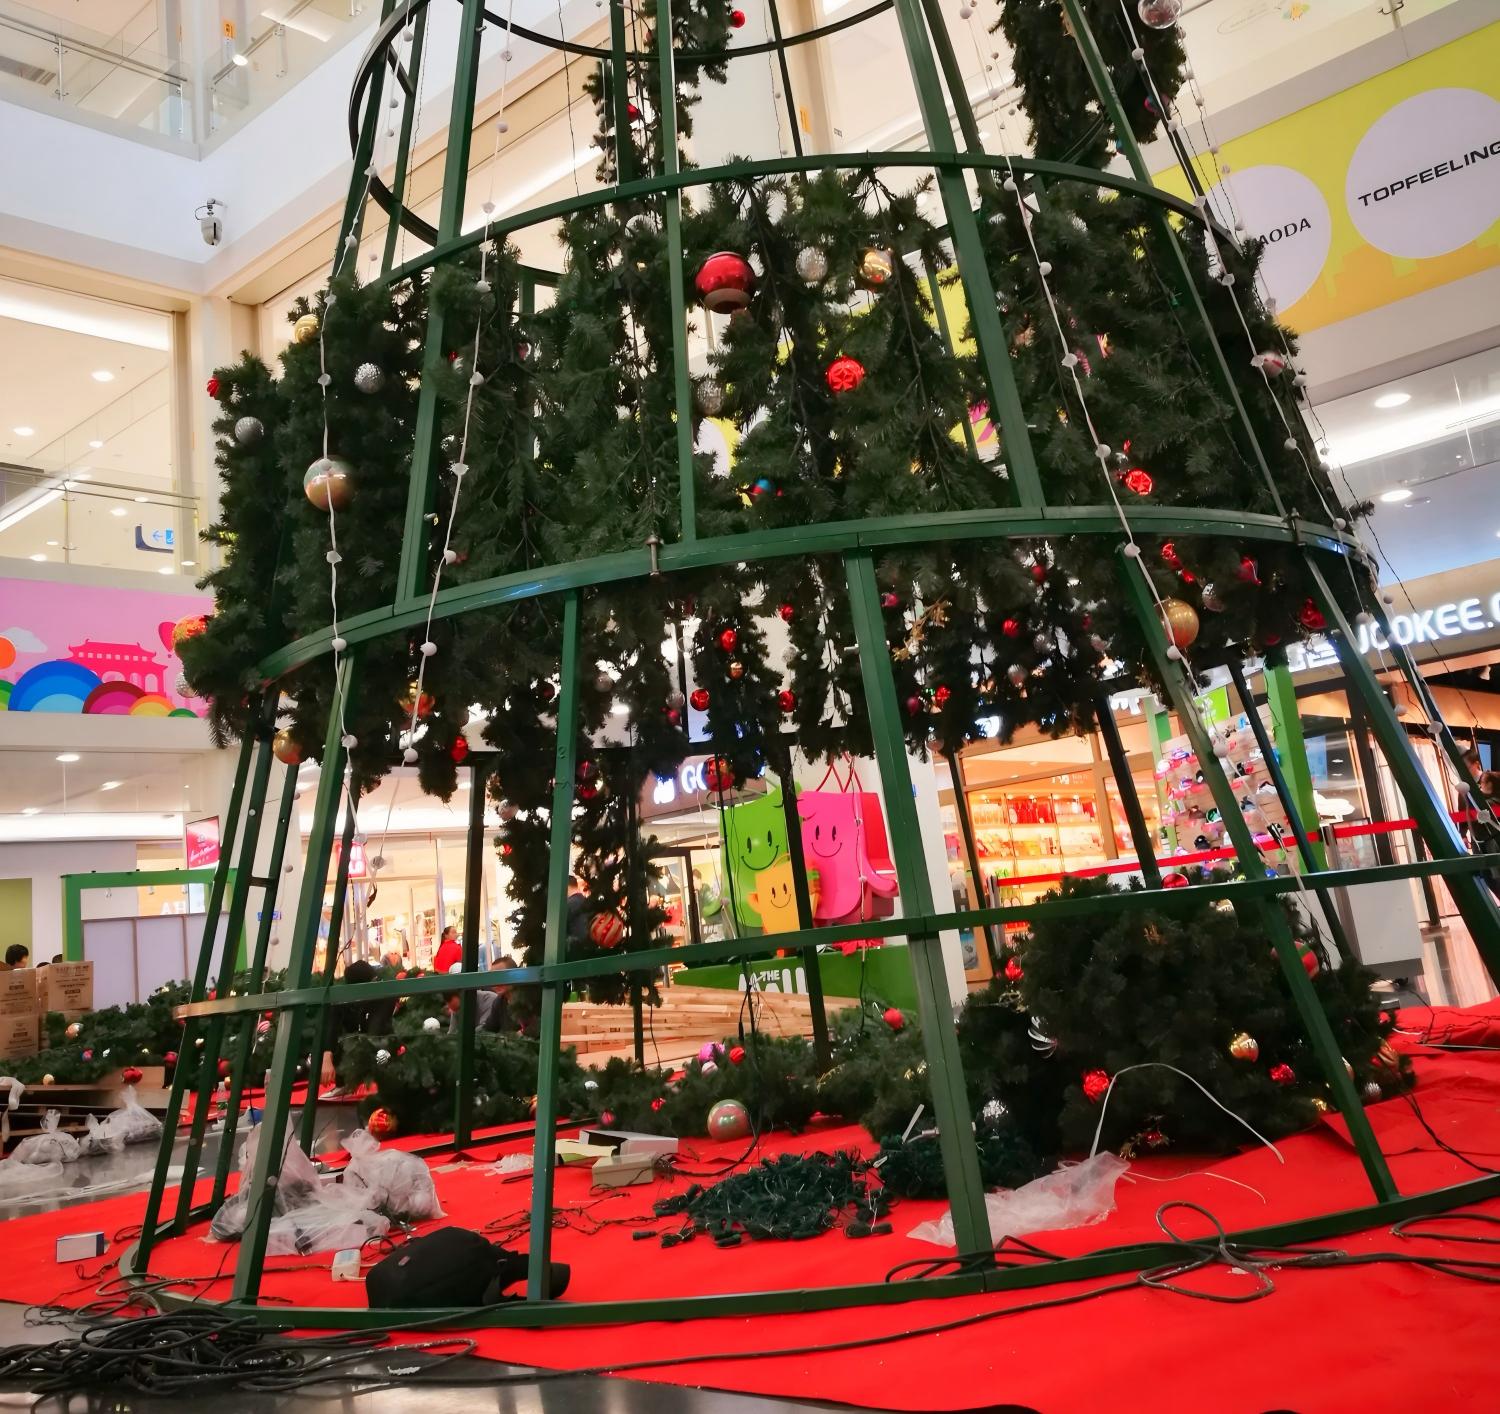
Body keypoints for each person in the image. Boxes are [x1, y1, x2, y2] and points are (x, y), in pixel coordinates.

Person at [319, 959, 397, 1095]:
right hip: (357, 1044)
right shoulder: (345, 1001)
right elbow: (331, 1026)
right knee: (345, 1042)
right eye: (372, 981)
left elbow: (375, 1031)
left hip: (382, 1048)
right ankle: (344, 1084)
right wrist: (327, 1056)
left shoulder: (384, 996)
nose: (376, 983)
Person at [445, 960, 519, 1034]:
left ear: (514, 975)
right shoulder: (499, 1001)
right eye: (493, 977)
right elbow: (488, 1028)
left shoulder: (526, 1000)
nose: (496, 982)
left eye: (501, 976)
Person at [565, 875, 590, 945]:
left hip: (573, 949)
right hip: (589, 949)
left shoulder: (567, 905)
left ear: (566, 887)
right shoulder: (587, 902)